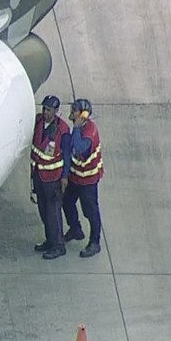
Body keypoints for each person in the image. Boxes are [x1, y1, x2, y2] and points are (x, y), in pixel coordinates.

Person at [30, 95, 72, 260]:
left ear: (56, 111)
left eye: (49, 110)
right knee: (43, 211)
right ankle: (50, 240)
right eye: (44, 109)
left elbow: (67, 155)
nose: (46, 112)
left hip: (53, 178)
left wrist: (64, 177)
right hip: (39, 175)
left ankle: (58, 245)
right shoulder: (39, 123)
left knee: (53, 212)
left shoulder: (63, 130)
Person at [61, 98, 104, 258]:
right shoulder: (78, 128)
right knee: (66, 201)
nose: (71, 113)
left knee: (90, 210)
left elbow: (78, 147)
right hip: (76, 176)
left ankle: (95, 242)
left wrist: (77, 128)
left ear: (83, 115)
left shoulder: (88, 132)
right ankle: (75, 229)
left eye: (74, 110)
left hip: (88, 180)